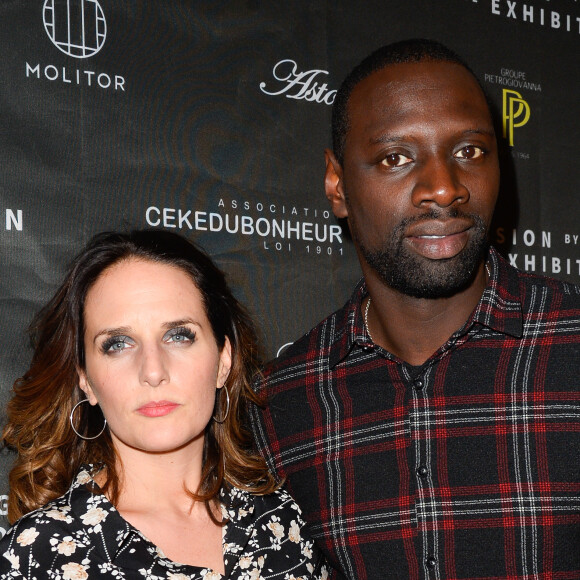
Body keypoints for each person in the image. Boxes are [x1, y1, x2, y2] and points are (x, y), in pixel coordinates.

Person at [250, 39, 580, 579]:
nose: (445, 189)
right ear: (337, 184)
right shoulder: (277, 407)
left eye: (470, 151)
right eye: (396, 158)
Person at [0, 230, 329, 579]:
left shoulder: (282, 522)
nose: (153, 371)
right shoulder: (38, 554)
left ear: (223, 361)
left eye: (178, 336)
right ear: (85, 380)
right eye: (118, 344)